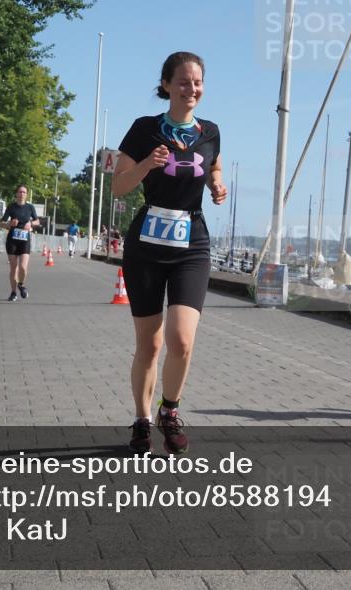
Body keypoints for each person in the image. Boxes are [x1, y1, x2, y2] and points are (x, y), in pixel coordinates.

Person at [112, 51, 227, 455]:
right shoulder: (144, 129)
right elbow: (118, 187)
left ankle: (170, 410)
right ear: (165, 85)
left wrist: (217, 185)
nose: (191, 88)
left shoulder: (210, 131)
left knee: (181, 340)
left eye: (197, 82)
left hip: (191, 241)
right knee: (151, 344)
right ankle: (142, 420)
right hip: (146, 241)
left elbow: (213, 167)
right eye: (182, 81)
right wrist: (146, 164)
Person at [3, 185, 40, 301]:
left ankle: (21, 284)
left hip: (24, 240)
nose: (22, 194)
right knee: (13, 268)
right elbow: (1, 222)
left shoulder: (30, 207)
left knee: (23, 267)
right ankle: (13, 292)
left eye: (24, 192)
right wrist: (9, 224)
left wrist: (31, 224)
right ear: (16, 194)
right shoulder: (11, 207)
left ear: (26, 195)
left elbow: (37, 221)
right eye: (20, 192)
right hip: (12, 240)